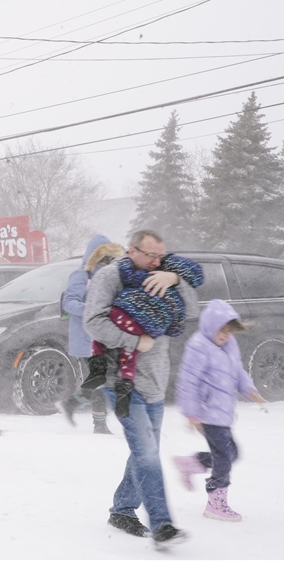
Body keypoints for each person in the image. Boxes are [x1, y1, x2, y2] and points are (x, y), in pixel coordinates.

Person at [83, 229, 198, 549]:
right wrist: (135, 340)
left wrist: (174, 280)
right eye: (150, 255)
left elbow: (191, 311)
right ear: (132, 251)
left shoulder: (165, 272)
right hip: (119, 380)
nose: (156, 261)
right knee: (146, 452)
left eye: (160, 255)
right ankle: (162, 526)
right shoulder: (110, 276)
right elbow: (92, 321)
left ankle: (122, 509)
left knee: (144, 452)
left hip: (155, 381)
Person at [172, 299, 264, 522]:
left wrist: (248, 389)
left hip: (222, 412)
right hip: (206, 412)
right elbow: (188, 382)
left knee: (232, 454)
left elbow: (237, 371)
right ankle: (216, 502)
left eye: (229, 332)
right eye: (221, 331)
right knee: (224, 457)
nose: (225, 336)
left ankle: (192, 463)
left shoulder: (229, 345)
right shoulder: (198, 347)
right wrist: (191, 414)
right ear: (210, 326)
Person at [80, 253, 203, 419]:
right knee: (129, 357)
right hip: (144, 330)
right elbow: (183, 318)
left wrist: (174, 279)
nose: (156, 262)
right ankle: (125, 384)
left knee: (102, 339)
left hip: (123, 315)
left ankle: (98, 367)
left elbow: (96, 321)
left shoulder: (144, 274)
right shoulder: (174, 290)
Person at [56, 234, 122, 434]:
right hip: (86, 338)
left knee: (102, 379)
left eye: (108, 256)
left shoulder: (108, 276)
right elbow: (70, 303)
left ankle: (74, 406)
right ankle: (98, 423)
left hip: (103, 337)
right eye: (102, 256)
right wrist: (94, 309)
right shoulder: (81, 275)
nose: (105, 260)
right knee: (102, 378)